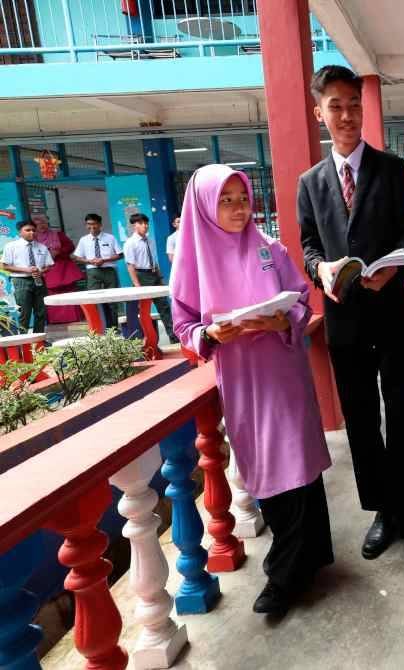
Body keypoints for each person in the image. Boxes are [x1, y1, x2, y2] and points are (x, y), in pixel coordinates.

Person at [170, 164, 333, 616]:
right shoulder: (193, 262)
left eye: (243, 199)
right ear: (204, 205)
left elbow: (301, 301)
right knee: (266, 468)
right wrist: (213, 335)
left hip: (284, 371)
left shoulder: (269, 248)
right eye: (226, 200)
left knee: (298, 462)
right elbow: (184, 325)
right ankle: (300, 562)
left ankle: (288, 576)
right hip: (243, 380)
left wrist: (283, 319)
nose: (239, 209)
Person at [298, 65, 404, 581]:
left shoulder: (392, 169)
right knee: (360, 420)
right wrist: (322, 269)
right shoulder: (310, 183)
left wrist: (395, 270)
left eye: (354, 104)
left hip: (388, 313)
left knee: (400, 414)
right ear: (320, 113)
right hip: (343, 319)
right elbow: (309, 245)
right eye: (336, 105)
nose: (347, 114)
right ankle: (384, 513)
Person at [123, 213, 179, 344]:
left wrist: (159, 275)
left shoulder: (149, 240)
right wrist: (136, 284)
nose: (145, 226)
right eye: (141, 223)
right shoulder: (130, 243)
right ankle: (144, 339)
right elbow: (130, 265)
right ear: (134, 225)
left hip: (154, 275)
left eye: (146, 223)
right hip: (141, 276)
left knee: (164, 306)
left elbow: (153, 259)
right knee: (143, 309)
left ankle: (174, 337)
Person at [71, 213, 122, 330]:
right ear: (86, 225)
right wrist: (89, 261)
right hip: (93, 272)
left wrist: (104, 260)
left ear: (100, 225)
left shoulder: (110, 238)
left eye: (94, 224)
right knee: (94, 299)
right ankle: (99, 328)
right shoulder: (84, 240)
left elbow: (120, 254)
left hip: (109, 270)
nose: (92, 226)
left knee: (112, 299)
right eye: (89, 224)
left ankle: (114, 328)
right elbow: (77, 257)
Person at [2, 220, 54, 334]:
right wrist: (26, 270)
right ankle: (24, 341)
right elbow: (5, 266)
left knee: (41, 311)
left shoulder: (42, 247)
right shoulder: (11, 246)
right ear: (20, 232)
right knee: (24, 312)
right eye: (27, 230)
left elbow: (49, 265)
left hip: (39, 280)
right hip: (21, 281)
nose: (31, 233)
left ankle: (39, 339)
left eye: (33, 230)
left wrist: (41, 271)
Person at [32, 214, 84, 324]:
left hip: (63, 268)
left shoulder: (57, 234)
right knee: (52, 296)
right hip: (46, 270)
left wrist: (58, 252)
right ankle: (57, 320)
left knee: (69, 293)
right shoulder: (33, 238)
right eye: (38, 223)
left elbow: (70, 247)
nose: (42, 225)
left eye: (44, 222)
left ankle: (74, 318)